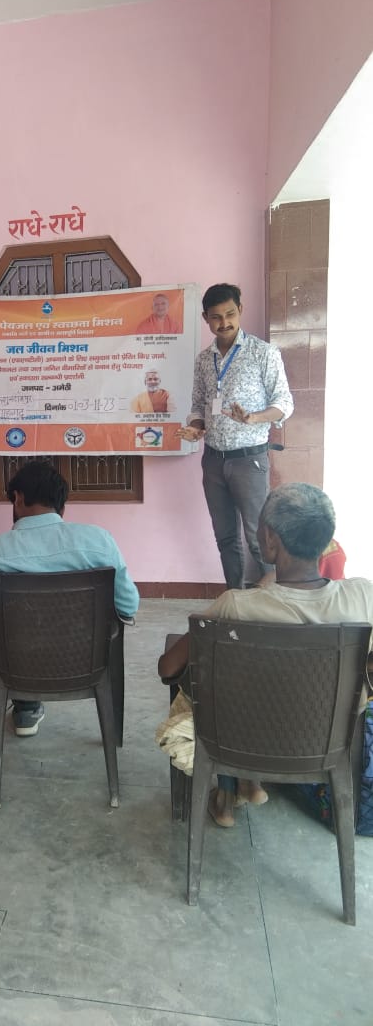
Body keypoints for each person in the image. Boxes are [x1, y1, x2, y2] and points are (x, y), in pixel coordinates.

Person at [158, 483, 373, 827]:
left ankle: (232, 789)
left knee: (208, 692)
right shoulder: (363, 597)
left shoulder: (236, 606)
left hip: (243, 741)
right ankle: (246, 784)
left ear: (271, 539)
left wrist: (261, 590)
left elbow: (168, 668)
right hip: (326, 741)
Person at [0, 460, 139, 735]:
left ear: (18, 498)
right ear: (61, 507)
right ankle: (29, 710)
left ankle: (26, 707)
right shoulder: (100, 542)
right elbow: (129, 606)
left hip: (16, 669)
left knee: (10, 633)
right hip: (85, 664)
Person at [175, 283, 293, 589]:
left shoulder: (263, 353)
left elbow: (284, 404)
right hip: (213, 460)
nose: (224, 322)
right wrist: (196, 427)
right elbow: (198, 404)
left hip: (249, 460)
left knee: (259, 537)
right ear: (205, 318)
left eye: (230, 314)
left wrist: (254, 417)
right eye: (216, 317)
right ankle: (236, 597)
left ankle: (270, 602)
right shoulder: (204, 360)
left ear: (240, 310)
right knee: (225, 537)